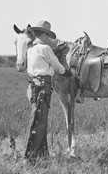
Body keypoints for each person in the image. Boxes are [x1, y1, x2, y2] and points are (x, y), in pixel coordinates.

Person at [24, 20, 73, 162]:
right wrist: (69, 74)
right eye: (48, 35)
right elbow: (58, 68)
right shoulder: (45, 49)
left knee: (39, 120)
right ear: (44, 35)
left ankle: (42, 155)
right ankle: (30, 157)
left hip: (33, 86)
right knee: (39, 121)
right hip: (43, 87)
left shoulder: (31, 50)